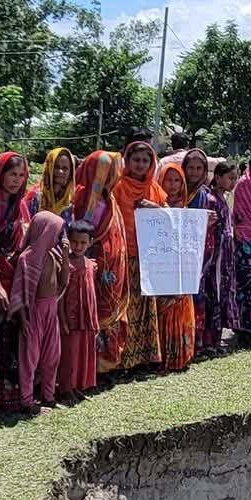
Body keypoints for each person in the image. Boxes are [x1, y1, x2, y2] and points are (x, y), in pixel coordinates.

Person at [106, 140, 165, 372]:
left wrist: (155, 208)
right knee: (125, 308)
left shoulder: (155, 189)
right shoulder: (117, 187)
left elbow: (169, 217)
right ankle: (122, 361)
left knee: (146, 308)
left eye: (145, 161)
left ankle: (144, 359)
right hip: (123, 256)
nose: (140, 165)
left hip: (148, 257)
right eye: (136, 160)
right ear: (127, 161)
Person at [71, 150, 130, 372]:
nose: (110, 177)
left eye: (113, 172)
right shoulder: (83, 198)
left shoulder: (110, 197)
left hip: (112, 270)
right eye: (105, 173)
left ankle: (104, 367)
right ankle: (88, 369)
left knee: (108, 318)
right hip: (92, 270)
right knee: (90, 317)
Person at [0, 151, 34, 409]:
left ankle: (13, 393)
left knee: (15, 335)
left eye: (21, 175)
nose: (16, 180)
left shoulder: (20, 206)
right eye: (11, 174)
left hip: (17, 278)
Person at [9, 210, 69, 412]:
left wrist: (67, 255)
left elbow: (63, 282)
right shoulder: (27, 259)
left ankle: (49, 396)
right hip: (33, 313)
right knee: (30, 358)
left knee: (53, 356)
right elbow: (20, 291)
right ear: (45, 232)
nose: (58, 238)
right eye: (56, 233)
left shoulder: (54, 255)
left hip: (50, 310)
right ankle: (27, 401)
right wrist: (24, 319)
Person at [183, 149, 230, 352]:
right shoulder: (175, 189)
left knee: (201, 297)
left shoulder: (205, 196)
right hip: (176, 254)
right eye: (190, 167)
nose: (194, 172)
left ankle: (200, 342)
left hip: (203, 256)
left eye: (198, 168)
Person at [154, 156, 198, 371]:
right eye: (168, 180)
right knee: (163, 309)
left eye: (177, 181)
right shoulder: (152, 208)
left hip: (181, 268)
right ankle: (164, 356)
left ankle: (181, 354)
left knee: (180, 308)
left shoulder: (186, 208)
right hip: (161, 267)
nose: (172, 186)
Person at [57, 220, 99, 403]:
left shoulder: (90, 264)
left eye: (83, 243)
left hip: (86, 317)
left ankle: (78, 387)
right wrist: (62, 319)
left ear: (90, 242)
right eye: (75, 242)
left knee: (83, 353)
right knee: (69, 355)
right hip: (71, 318)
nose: (78, 246)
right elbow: (60, 294)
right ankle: (66, 389)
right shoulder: (66, 265)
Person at [37, 147, 77, 222]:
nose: (60, 171)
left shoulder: (70, 201)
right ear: (49, 168)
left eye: (65, 168)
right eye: (56, 167)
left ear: (70, 172)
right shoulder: (36, 197)